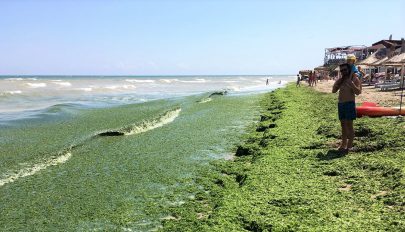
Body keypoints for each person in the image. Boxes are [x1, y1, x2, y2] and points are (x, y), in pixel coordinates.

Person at [332, 63, 362, 152]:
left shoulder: (354, 78)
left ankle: (349, 145)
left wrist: (352, 84)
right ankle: (343, 144)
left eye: (345, 70)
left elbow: (358, 92)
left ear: (349, 70)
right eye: (341, 70)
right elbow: (334, 91)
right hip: (341, 104)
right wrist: (336, 84)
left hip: (349, 104)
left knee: (349, 125)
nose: (343, 72)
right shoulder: (341, 80)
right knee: (343, 125)